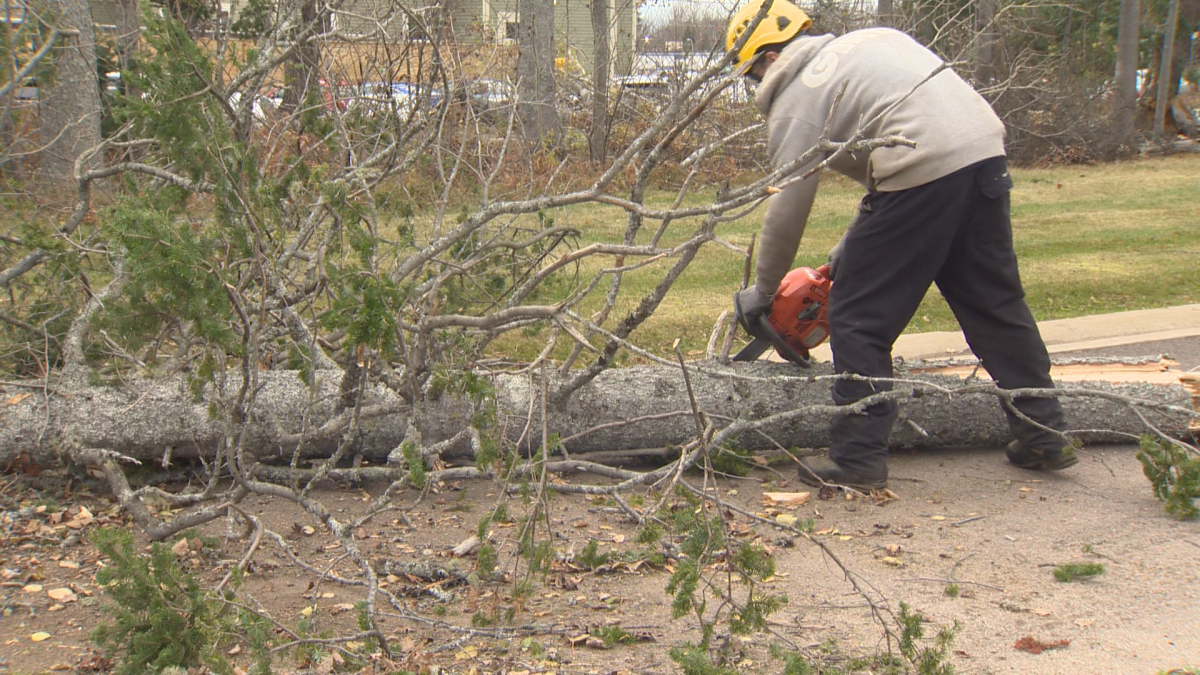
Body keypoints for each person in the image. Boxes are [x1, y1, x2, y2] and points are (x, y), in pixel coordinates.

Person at [726, 0, 1076, 491]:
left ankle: (858, 460)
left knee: (857, 317)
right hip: (982, 155)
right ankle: (1044, 432)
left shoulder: (796, 96)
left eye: (751, 74)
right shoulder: (872, 41)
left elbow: (788, 202)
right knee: (995, 305)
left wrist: (763, 291)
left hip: (921, 174)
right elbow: (894, 165)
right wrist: (850, 246)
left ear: (766, 59)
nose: (755, 84)